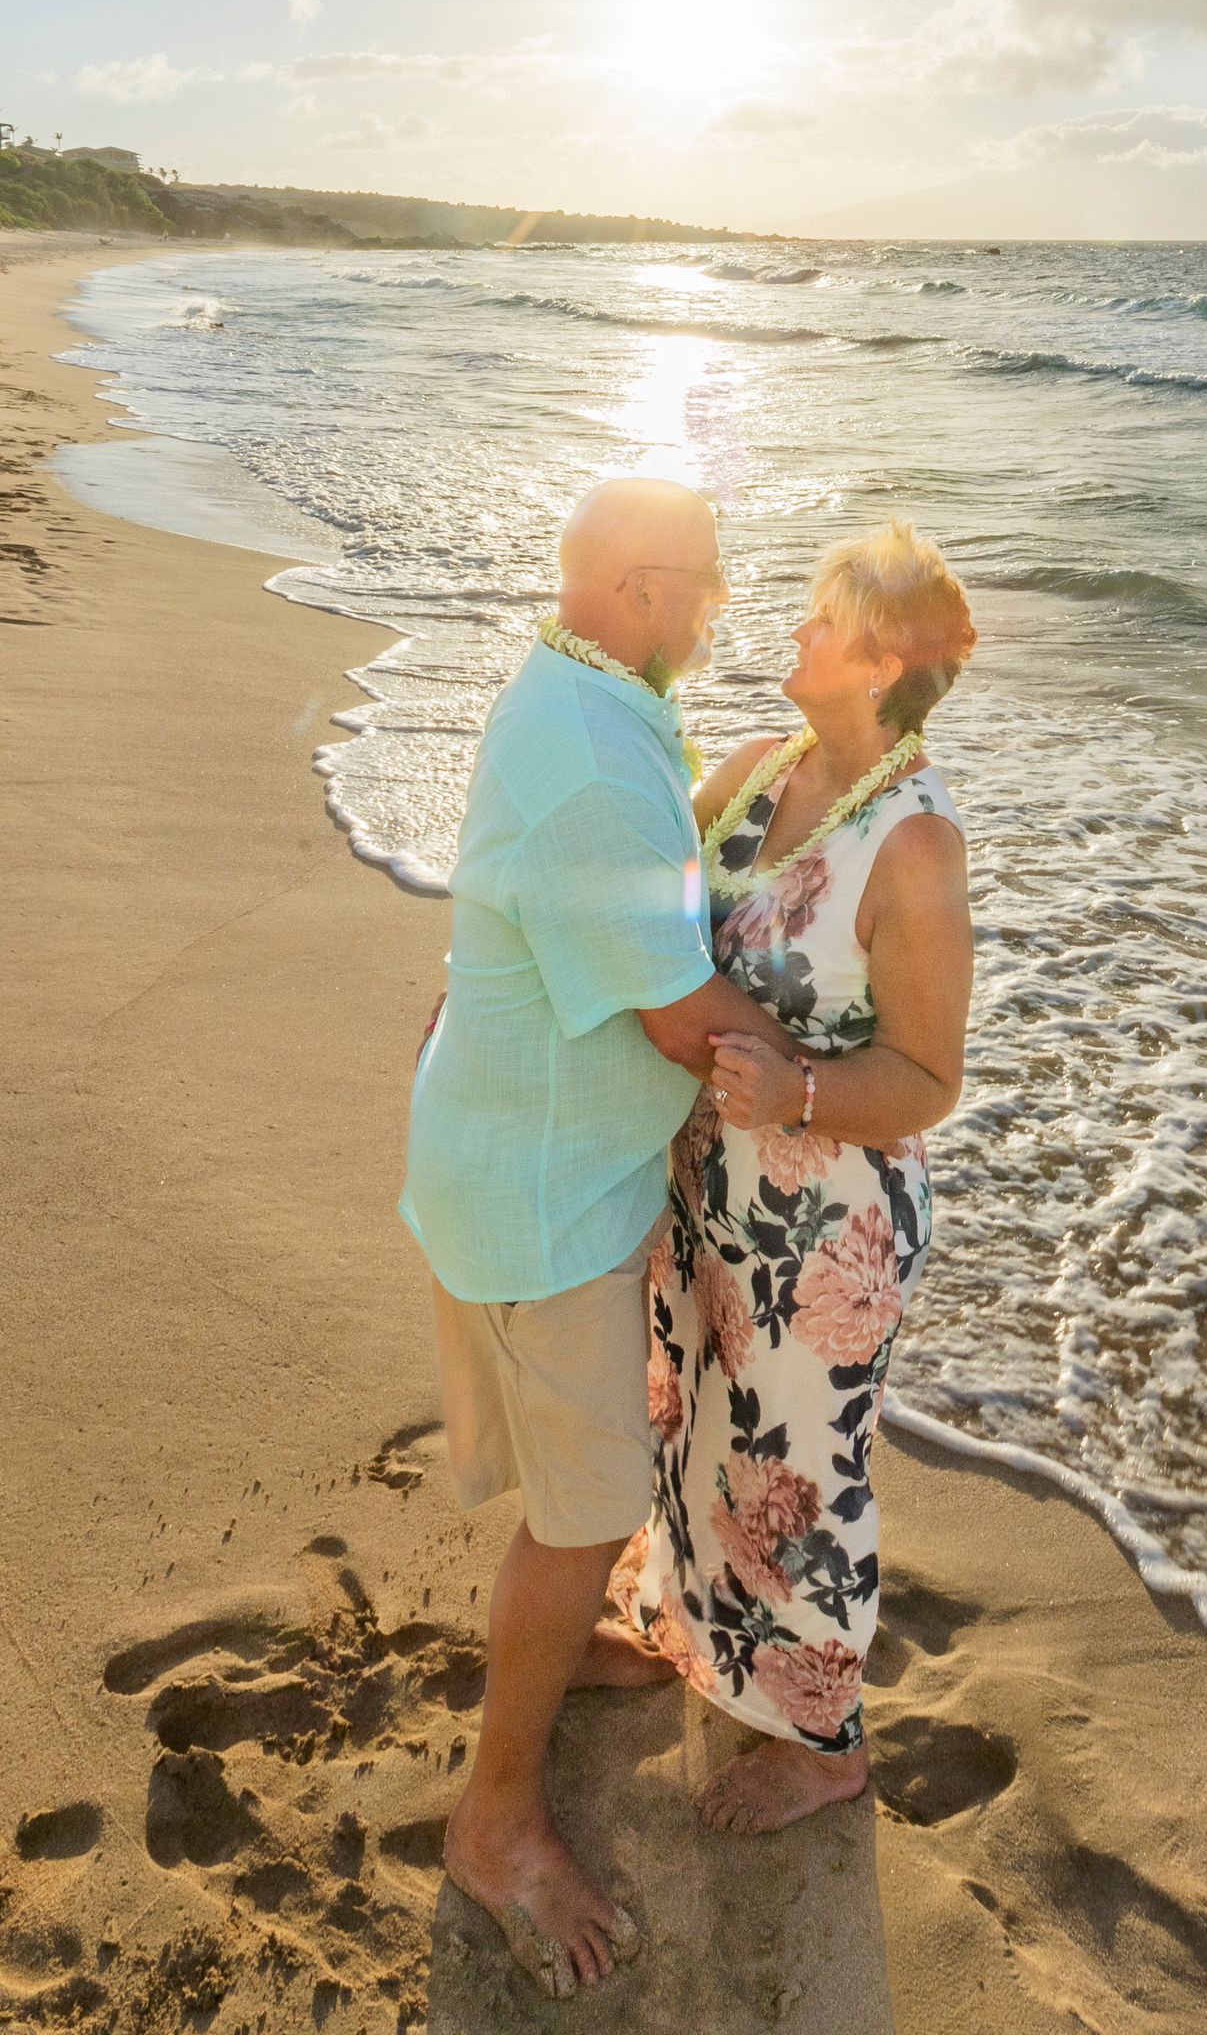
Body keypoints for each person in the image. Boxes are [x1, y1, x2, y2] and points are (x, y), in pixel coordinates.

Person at [400, 478, 809, 1999]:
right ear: (640, 588)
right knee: (580, 1517)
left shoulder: (593, 693)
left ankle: (563, 1650)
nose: (717, 610)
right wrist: (840, 1089)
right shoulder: (587, 745)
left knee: (583, 1495)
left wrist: (723, 792)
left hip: (521, 1160)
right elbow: (678, 1005)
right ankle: (495, 1819)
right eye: (702, 585)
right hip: (540, 1205)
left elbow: (636, 876)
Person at [611, 520, 976, 1836]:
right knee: (702, 1432)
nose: (800, 631)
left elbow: (930, 1078)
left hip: (827, 1237)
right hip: (711, 1193)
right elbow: (650, 893)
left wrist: (804, 1091)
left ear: (882, 661)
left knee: (803, 1483)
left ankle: (825, 1743)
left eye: (827, 620)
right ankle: (695, 1642)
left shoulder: (917, 849)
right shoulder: (764, 770)